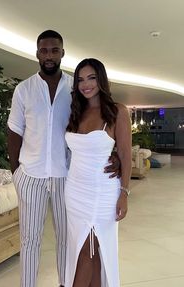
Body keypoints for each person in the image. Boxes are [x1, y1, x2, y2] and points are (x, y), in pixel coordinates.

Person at [7, 30, 120, 287]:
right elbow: (14, 132)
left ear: (62, 53)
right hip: (31, 176)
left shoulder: (75, 89)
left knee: (67, 240)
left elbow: (97, 122)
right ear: (37, 53)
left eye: (54, 50)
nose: (49, 55)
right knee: (29, 240)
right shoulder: (23, 89)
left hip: (66, 177)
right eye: (44, 50)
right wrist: (16, 173)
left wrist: (115, 154)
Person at [64, 58, 132, 287]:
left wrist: (124, 193)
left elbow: (124, 154)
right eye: (81, 79)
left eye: (91, 77)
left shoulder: (118, 111)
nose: (86, 84)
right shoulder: (76, 111)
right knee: (88, 254)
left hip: (102, 192)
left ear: (101, 79)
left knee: (88, 251)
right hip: (74, 191)